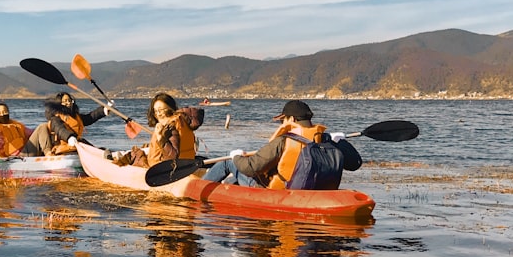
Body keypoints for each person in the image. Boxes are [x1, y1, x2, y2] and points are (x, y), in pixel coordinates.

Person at [202, 99, 353, 189]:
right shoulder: (323, 138)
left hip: (273, 190)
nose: (282, 123)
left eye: (283, 120)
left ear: (292, 119)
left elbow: (252, 167)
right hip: (308, 187)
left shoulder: (284, 140)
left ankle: (198, 186)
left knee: (228, 163)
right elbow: (355, 164)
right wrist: (341, 143)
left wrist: (235, 157)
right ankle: (229, 187)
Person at [115, 92, 204, 168]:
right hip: (187, 163)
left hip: (160, 168)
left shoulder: (170, 126)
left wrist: (160, 137)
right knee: (145, 148)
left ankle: (115, 158)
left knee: (134, 155)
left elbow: (172, 156)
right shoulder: (183, 120)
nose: (158, 114)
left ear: (170, 109)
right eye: (156, 111)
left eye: (161, 110)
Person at [22, 91, 110, 156]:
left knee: (90, 147)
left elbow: (89, 117)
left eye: (70, 100)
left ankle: (104, 155)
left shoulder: (75, 117)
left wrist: (103, 110)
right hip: (60, 148)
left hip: (73, 145)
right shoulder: (55, 118)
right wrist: (69, 137)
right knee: (43, 127)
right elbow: (59, 128)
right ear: (59, 104)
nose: (68, 103)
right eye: (65, 101)